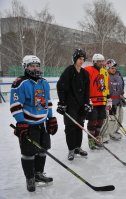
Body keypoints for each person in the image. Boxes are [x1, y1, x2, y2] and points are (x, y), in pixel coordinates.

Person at [10, 55, 58, 192]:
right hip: (28, 125)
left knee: (43, 150)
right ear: (25, 67)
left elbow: (47, 102)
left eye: (37, 65)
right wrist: (21, 122)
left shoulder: (44, 82)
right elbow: (15, 105)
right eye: (32, 65)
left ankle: (38, 174)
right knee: (28, 153)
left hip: (41, 124)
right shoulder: (20, 83)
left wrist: (51, 118)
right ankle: (30, 178)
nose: (35, 68)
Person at [56, 49, 90, 160]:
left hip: (81, 105)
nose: (81, 61)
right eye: (80, 59)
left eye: (83, 59)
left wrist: (86, 103)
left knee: (79, 126)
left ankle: (78, 148)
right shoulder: (69, 71)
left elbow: (87, 91)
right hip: (70, 105)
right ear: (75, 59)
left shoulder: (85, 73)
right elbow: (60, 87)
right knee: (70, 127)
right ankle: (71, 149)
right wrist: (62, 103)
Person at [84, 54, 112, 150]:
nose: (101, 63)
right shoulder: (88, 70)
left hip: (102, 101)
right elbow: (84, 84)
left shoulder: (105, 72)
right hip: (92, 100)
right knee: (92, 121)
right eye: (98, 61)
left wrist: (109, 99)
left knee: (101, 120)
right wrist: (85, 98)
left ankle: (97, 138)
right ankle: (91, 140)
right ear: (94, 62)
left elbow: (107, 87)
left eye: (102, 61)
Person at [106, 59, 125, 140]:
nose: (114, 69)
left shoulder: (119, 75)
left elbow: (122, 87)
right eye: (112, 68)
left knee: (120, 117)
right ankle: (111, 133)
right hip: (111, 102)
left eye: (114, 68)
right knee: (113, 118)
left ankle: (115, 130)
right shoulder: (106, 76)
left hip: (119, 101)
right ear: (108, 68)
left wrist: (122, 95)